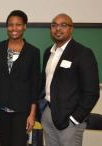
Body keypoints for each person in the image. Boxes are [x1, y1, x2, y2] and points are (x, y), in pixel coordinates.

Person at [40, 13, 100, 146]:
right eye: (54, 25)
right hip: (48, 113)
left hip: (69, 120)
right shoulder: (48, 53)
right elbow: (45, 82)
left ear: (71, 29)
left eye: (63, 25)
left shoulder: (83, 53)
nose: (58, 29)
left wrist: (74, 119)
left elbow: (92, 92)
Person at [0, 10, 40, 146]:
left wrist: (32, 114)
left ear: (24, 27)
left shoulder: (33, 52)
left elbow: (35, 85)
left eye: (18, 25)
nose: (14, 28)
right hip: (1, 108)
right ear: (7, 27)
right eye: (10, 25)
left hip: (22, 111)